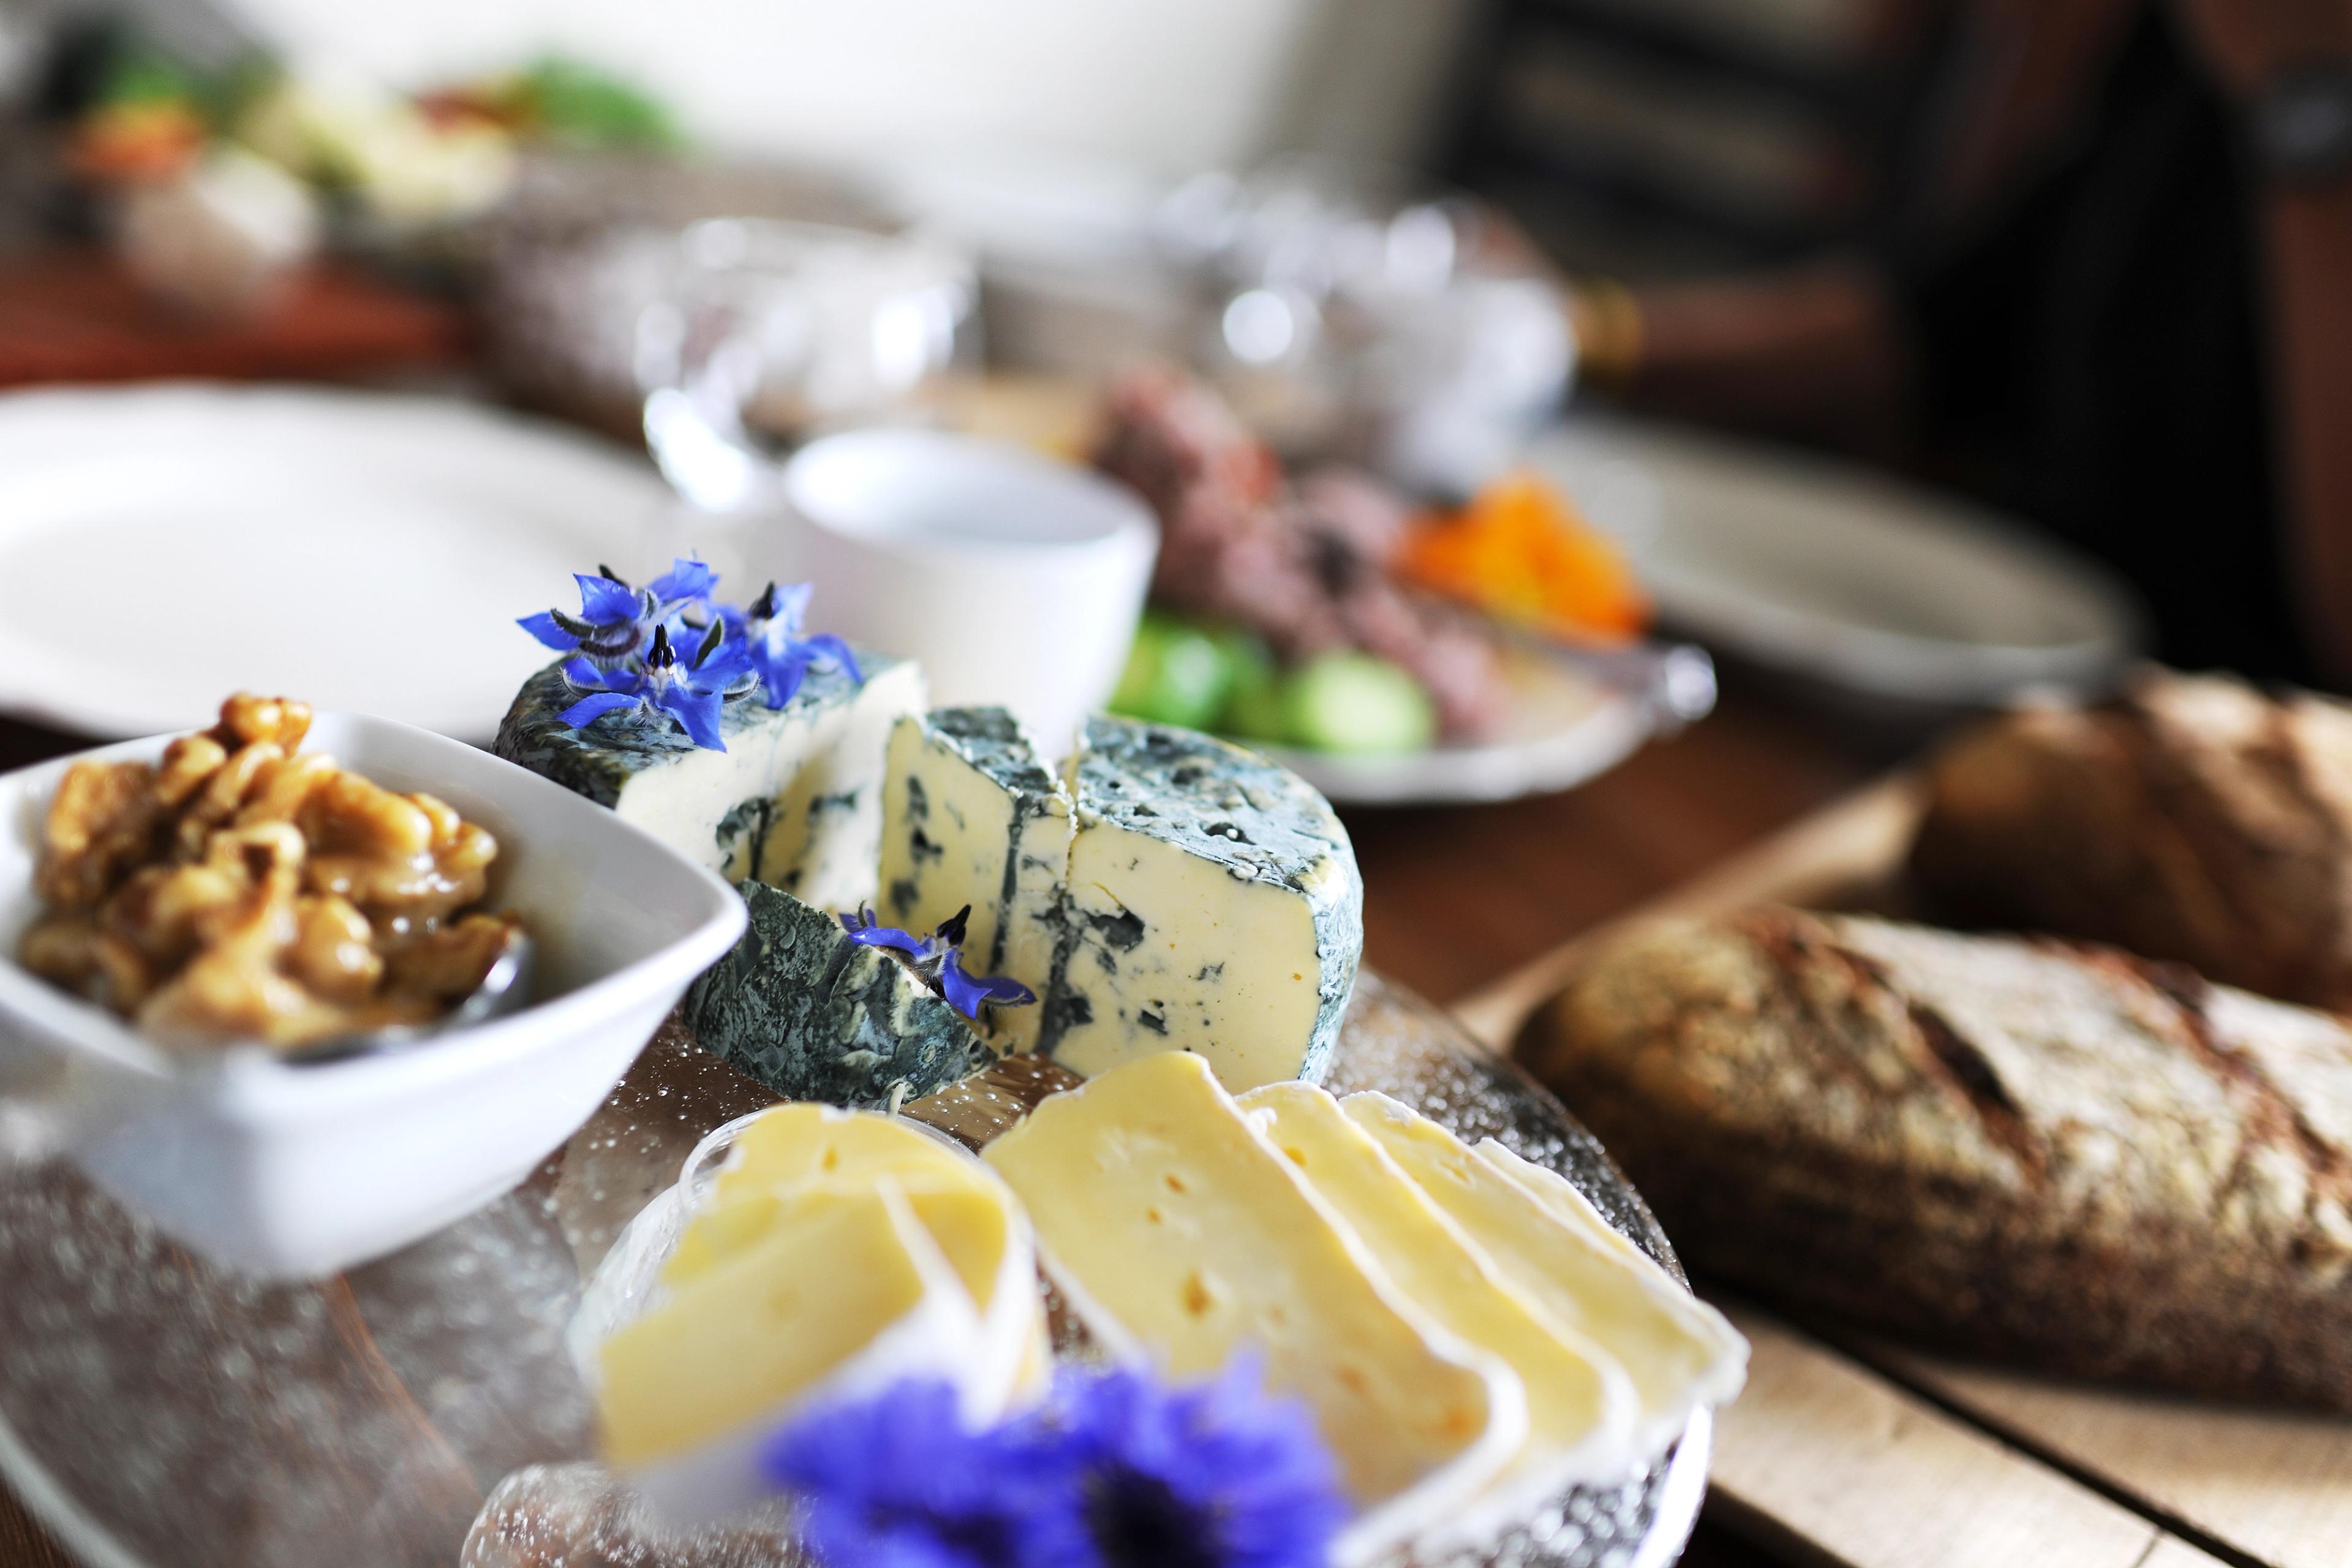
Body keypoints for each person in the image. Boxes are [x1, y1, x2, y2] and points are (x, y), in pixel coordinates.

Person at [1560, 0, 2352, 686]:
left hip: (2223, 798)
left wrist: (2308, 98)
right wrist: (1576, 336)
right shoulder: (2193, 48)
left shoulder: (2291, 53)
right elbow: (1939, 334)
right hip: (1978, 699)